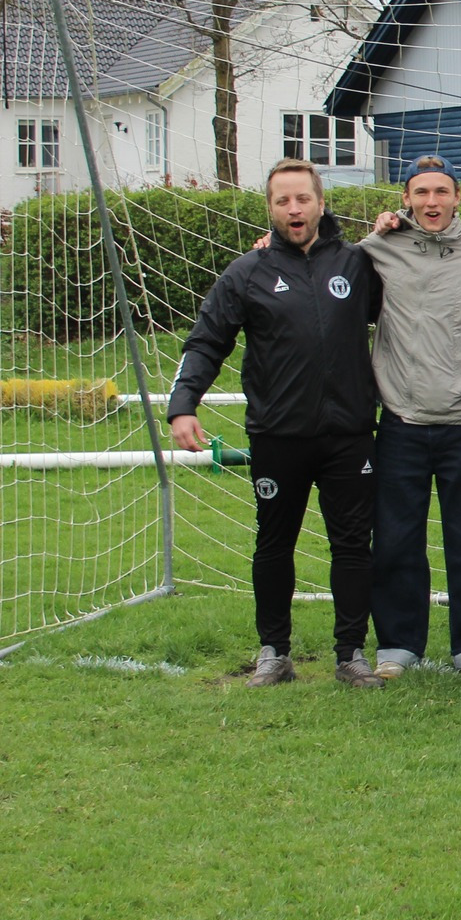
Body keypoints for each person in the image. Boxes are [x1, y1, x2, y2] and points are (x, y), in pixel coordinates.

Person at [168, 160, 384, 688]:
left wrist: (391, 228)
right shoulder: (247, 273)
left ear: (320, 203)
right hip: (277, 435)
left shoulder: (358, 264)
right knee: (273, 543)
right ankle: (274, 653)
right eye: (283, 201)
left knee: (353, 545)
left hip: (349, 434)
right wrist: (183, 403)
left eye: (303, 199)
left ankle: (351, 654)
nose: (294, 209)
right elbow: (206, 340)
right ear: (269, 208)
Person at [357, 155, 461, 681]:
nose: (432, 202)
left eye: (441, 192)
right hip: (400, 421)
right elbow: (318, 271)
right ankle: (397, 646)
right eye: (421, 193)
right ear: (406, 199)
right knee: (394, 540)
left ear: (458, 198)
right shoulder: (377, 251)